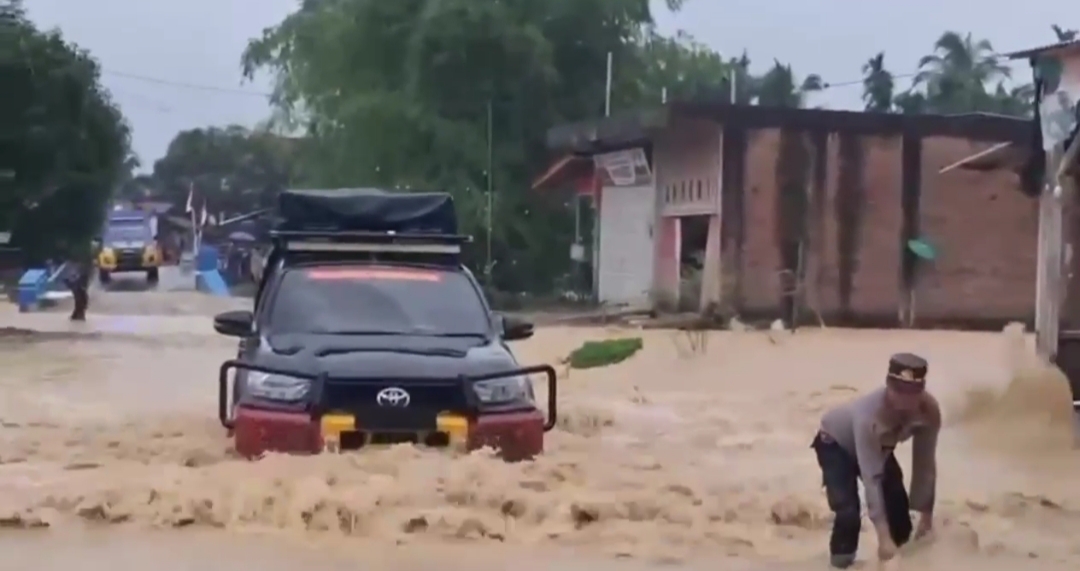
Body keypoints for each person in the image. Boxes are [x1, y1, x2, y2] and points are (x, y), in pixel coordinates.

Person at [812, 353, 941, 568]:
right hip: (836, 444)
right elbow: (871, 479)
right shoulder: (870, 416)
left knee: (899, 512)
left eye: (912, 393)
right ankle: (840, 564)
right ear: (887, 385)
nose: (904, 400)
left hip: (880, 447)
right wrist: (882, 538)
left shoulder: (929, 411)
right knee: (848, 513)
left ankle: (903, 557)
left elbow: (925, 464)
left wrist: (926, 516)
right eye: (898, 390)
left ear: (922, 391)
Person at [66, 240, 96, 321]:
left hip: (83, 273)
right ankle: (78, 312)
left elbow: (89, 263)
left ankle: (80, 312)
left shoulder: (86, 251)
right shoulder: (81, 249)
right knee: (77, 292)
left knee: (80, 292)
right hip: (80, 272)